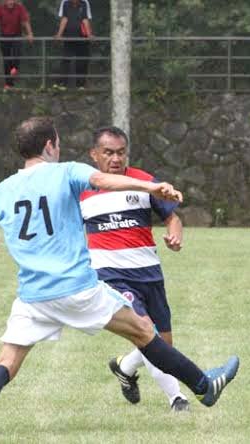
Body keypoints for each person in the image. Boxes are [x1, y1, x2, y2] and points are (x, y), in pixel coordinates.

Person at [0, 117, 239, 437]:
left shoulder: (2, 190)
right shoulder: (66, 171)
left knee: (7, 361)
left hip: (33, 296)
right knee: (143, 330)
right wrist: (150, 186)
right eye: (58, 141)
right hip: (78, 288)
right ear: (50, 145)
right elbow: (106, 181)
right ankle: (205, 385)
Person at [80, 127, 190, 412]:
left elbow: (172, 217)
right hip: (112, 276)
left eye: (121, 152)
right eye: (108, 153)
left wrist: (175, 236)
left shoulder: (144, 182)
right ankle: (177, 399)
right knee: (147, 332)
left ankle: (125, 367)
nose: (116, 159)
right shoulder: (81, 189)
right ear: (94, 155)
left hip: (150, 273)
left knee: (162, 342)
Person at [0, 0, 34, 89]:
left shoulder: (19, 7)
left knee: (16, 55)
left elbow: (25, 21)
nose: (10, 2)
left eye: (12, 0)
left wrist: (30, 34)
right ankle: (8, 84)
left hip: (17, 35)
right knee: (6, 60)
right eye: (8, 1)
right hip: (4, 36)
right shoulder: (0, 8)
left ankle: (15, 68)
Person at [55, 0, 93, 88]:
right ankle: (62, 84)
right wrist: (59, 34)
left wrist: (89, 35)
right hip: (68, 37)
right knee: (65, 60)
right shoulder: (65, 3)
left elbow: (85, 19)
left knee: (82, 61)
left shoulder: (84, 3)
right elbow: (64, 19)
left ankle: (81, 85)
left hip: (82, 38)